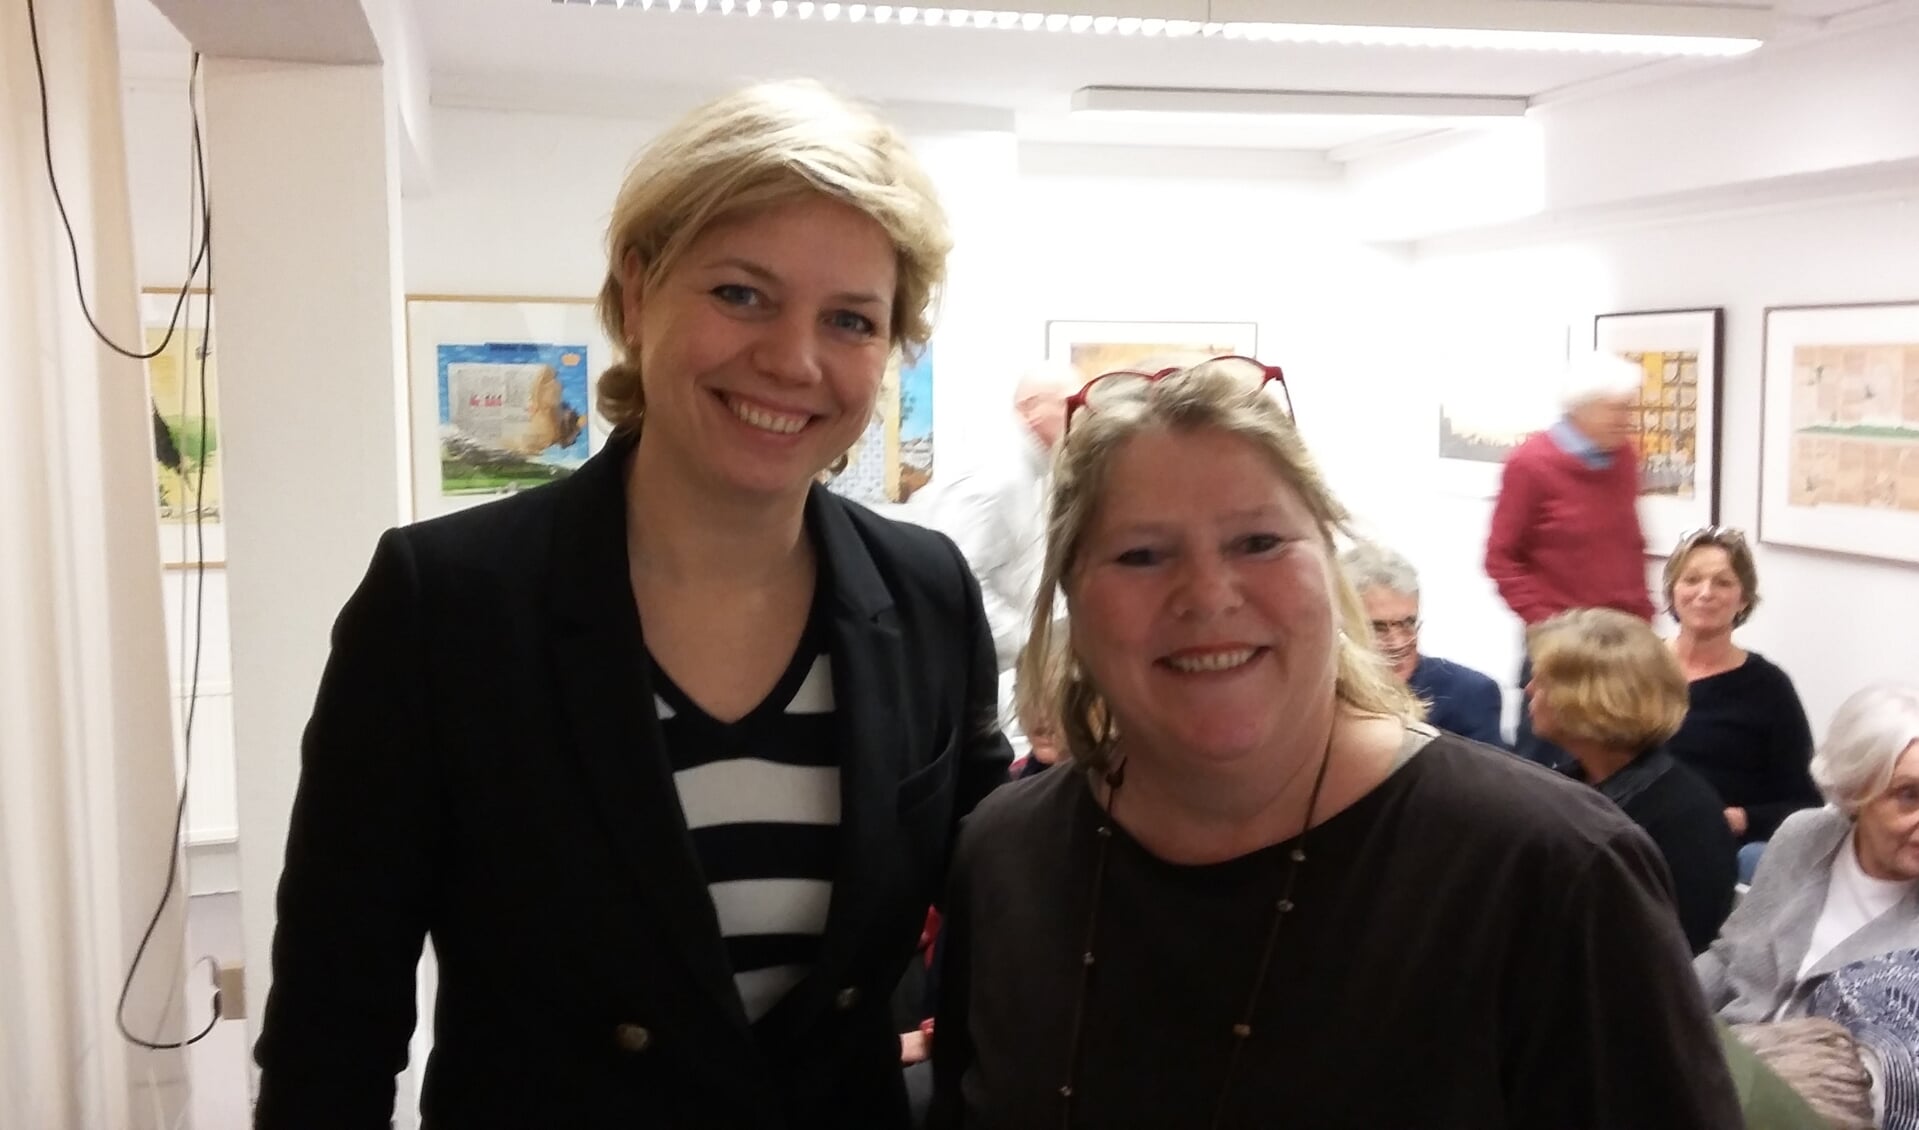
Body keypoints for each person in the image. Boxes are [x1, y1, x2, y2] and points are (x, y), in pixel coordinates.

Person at [252, 80, 1012, 1128]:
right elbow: (334, 1019)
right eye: (741, 293)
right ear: (637, 286)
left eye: (849, 318)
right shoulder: (449, 603)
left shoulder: (924, 590)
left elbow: (998, 907)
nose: (792, 360)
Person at [928, 357, 1741, 1128]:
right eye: (1141, 554)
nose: (1208, 596)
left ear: (1328, 562)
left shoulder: (1552, 872)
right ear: (1072, 592)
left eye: (1257, 542)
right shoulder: (1005, 856)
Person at [1697, 682, 1919, 1025]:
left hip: (1815, 1075)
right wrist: (1662, 1004)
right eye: (1909, 795)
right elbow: (1729, 957)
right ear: (1856, 788)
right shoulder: (1805, 835)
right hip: (1723, 1048)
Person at [1526, 607, 1738, 953]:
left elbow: (1670, 960)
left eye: (1543, 681)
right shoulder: (1565, 783)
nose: (1529, 689)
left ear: (1591, 701)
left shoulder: (1686, 821)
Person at [1486, 351, 1653, 769]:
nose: (1625, 419)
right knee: (1544, 768)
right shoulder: (1531, 464)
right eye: (1615, 409)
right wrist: (1550, 626)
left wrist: (1645, 620)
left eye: (1628, 408)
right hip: (1559, 648)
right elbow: (1500, 559)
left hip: (1621, 644)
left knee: (1616, 764)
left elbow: (1628, 544)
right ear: (1581, 409)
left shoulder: (1624, 458)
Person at [1662, 526, 1819, 878]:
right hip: (1630, 832)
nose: (1705, 593)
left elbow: (1805, 804)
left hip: (1714, 847)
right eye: (1692, 579)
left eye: (1723, 582)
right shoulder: (1638, 666)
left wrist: (1741, 818)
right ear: (1672, 592)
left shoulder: (1768, 688)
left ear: (1743, 599)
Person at [908, 360, 1080, 672]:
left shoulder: (1033, 472)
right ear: (1031, 408)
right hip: (987, 671)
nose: (1080, 415)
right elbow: (954, 582)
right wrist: (1033, 643)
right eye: (1070, 403)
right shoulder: (996, 474)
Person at [1339, 540, 1505, 747]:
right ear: (1340, 625)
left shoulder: (1469, 695)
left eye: (1408, 623)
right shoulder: (1316, 691)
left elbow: (1485, 778)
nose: (1398, 642)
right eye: (1378, 628)